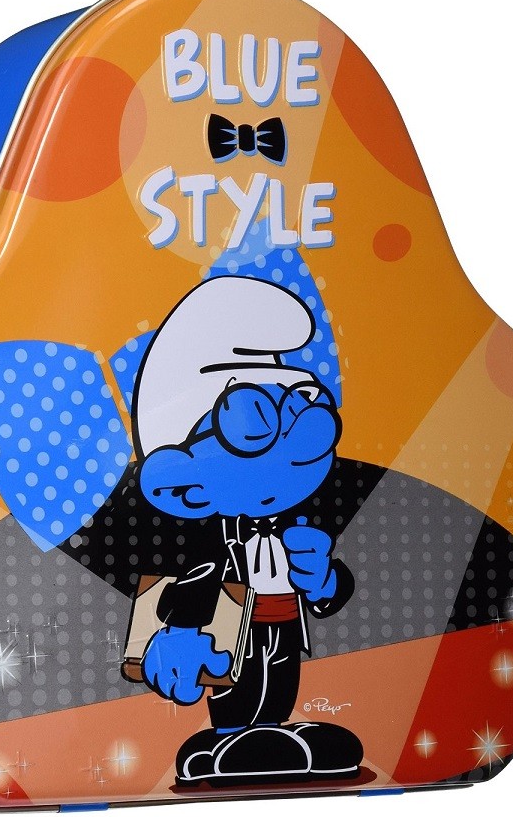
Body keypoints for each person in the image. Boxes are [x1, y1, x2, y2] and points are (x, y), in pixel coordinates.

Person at [132, 275, 363, 787]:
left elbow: (331, 592)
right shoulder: (208, 538)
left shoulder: (298, 525)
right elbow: (193, 582)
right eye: (255, 421)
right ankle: (229, 739)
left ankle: (271, 735)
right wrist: (180, 632)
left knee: (278, 684)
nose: (299, 446)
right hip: (233, 633)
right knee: (237, 690)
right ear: (184, 485)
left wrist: (324, 581)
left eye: (305, 414)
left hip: (284, 626)